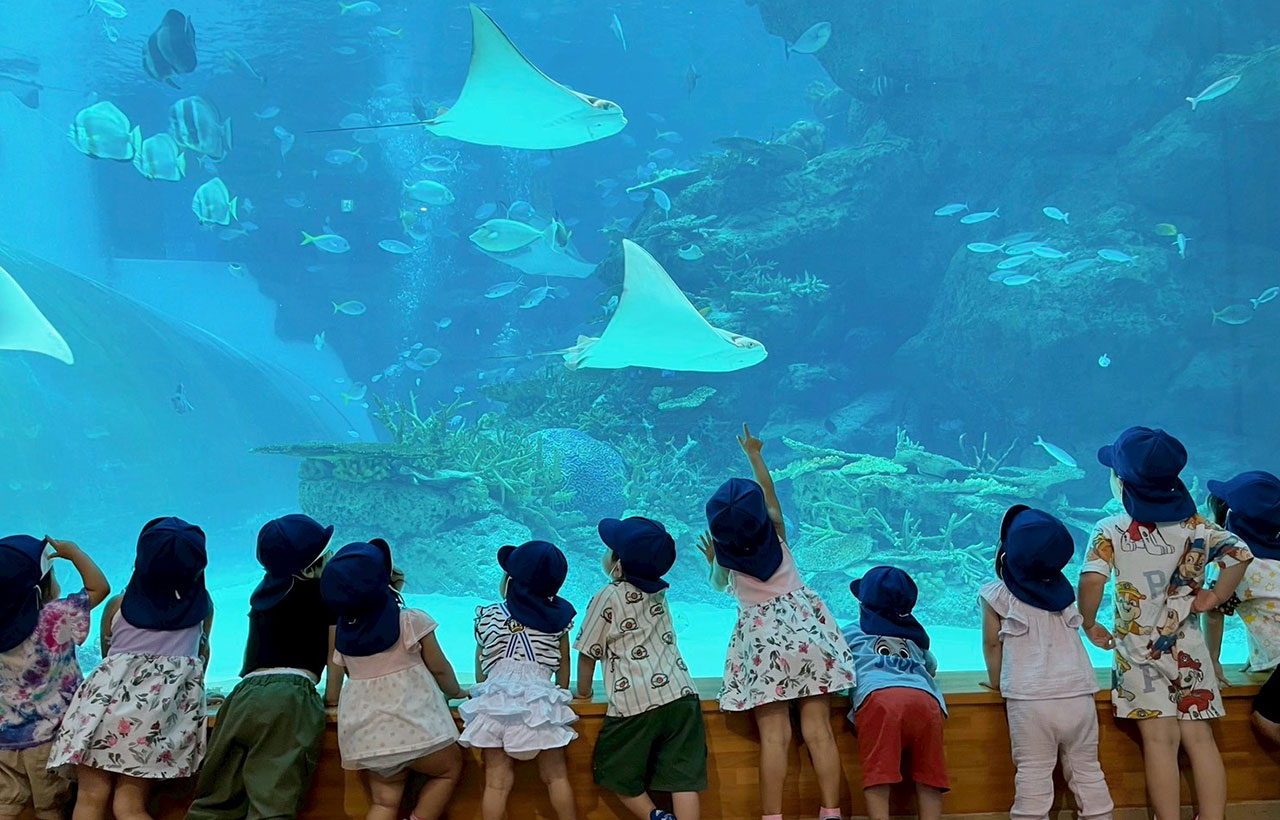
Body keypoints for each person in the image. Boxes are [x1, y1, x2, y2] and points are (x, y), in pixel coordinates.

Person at [1077, 427, 1252, 820]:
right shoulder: (1199, 526)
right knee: (1200, 739)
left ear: (1121, 482)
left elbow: (1091, 581)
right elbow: (1240, 553)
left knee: (1159, 740)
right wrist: (1214, 596)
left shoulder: (1110, 529)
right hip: (1190, 648)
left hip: (1138, 654)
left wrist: (1088, 622)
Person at [699, 424, 856, 820]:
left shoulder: (726, 559)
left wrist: (713, 560)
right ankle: (831, 812)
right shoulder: (778, 534)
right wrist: (755, 455)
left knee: (774, 736)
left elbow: (717, 586)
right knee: (819, 730)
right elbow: (769, 495)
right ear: (762, 520)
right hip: (807, 638)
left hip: (764, 646)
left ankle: (772, 816)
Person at [49, 517, 215, 820]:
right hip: (153, 723)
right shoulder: (203, 610)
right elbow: (201, 661)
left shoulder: (118, 606)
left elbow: (108, 662)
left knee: (90, 798)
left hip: (100, 716)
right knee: (129, 807)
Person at [186, 514, 342, 820]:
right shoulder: (324, 596)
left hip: (243, 696)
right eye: (326, 554)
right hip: (288, 696)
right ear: (309, 567)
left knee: (215, 801)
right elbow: (335, 653)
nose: (332, 557)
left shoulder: (261, 595)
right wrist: (332, 698)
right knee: (272, 802)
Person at [979, 506, 1113, 820]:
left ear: (1005, 554)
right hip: (1078, 695)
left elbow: (991, 644)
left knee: (1033, 773)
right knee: (1087, 770)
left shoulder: (995, 595)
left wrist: (997, 681)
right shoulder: (1065, 595)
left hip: (1030, 700)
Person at [320, 540, 464, 820]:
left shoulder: (344, 636)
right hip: (419, 732)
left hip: (369, 740)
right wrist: (455, 691)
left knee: (384, 802)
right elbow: (440, 669)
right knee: (448, 771)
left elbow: (338, 677)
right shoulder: (410, 621)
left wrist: (331, 700)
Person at [575, 517, 706, 820]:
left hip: (636, 704)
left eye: (610, 550)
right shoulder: (660, 593)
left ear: (618, 565)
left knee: (615, 770)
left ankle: (654, 816)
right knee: (683, 778)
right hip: (682, 695)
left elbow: (587, 651)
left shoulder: (608, 595)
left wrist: (582, 693)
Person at [459, 541, 579, 820]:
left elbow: (481, 664)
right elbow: (563, 663)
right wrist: (560, 694)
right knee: (556, 777)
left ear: (510, 581)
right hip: (540, 704)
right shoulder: (557, 621)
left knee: (496, 783)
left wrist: (482, 694)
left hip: (496, 704)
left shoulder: (489, 616)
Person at [0, 535, 110, 820]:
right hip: (49, 741)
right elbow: (99, 588)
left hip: (3, 741)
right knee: (50, 808)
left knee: (5, 805)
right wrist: (74, 552)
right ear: (39, 590)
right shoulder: (56, 617)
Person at [843, 567, 947, 820]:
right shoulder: (915, 637)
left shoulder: (851, 632)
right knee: (929, 775)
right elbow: (931, 667)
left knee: (879, 774)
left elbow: (837, 667)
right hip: (926, 701)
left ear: (862, 604)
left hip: (881, 700)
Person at [1201, 471, 1280, 744]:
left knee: (1266, 720)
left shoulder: (1232, 563)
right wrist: (1261, 653)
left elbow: (1213, 613)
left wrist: (1212, 660)